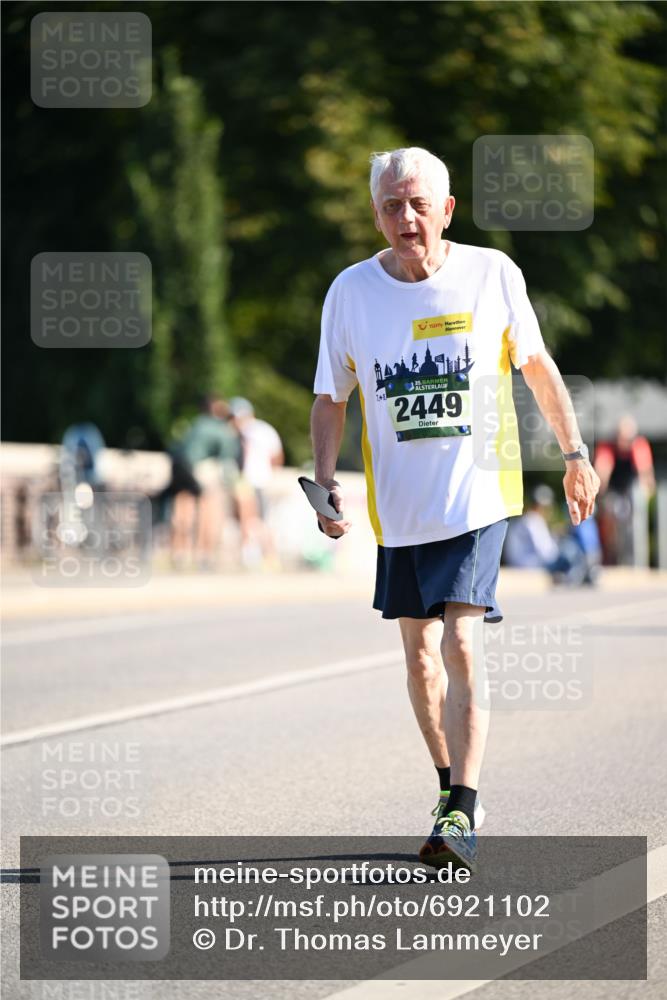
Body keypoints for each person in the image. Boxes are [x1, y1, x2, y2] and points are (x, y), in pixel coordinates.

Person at [310, 147, 600, 870]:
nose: (404, 219)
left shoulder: (491, 274)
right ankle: (448, 790)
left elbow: (535, 366)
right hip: (400, 509)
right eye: (389, 206)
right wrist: (322, 480)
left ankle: (462, 809)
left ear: (445, 210)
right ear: (374, 214)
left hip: (477, 495)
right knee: (417, 662)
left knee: (460, 643)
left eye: (417, 204)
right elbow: (328, 397)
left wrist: (573, 453)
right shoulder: (350, 292)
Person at [155, 396, 241, 568]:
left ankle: (178, 552)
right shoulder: (220, 429)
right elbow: (227, 457)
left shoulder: (194, 425)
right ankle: (204, 554)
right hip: (200, 469)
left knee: (182, 510)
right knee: (208, 509)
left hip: (180, 467)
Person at [229, 397, 284, 567]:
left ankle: (251, 554)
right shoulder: (266, 429)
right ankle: (268, 555)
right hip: (264, 480)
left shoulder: (245, 432)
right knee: (262, 519)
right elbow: (277, 457)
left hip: (249, 480)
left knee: (249, 519)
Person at [594, 415, 655, 565]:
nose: (625, 442)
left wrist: (646, 494)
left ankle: (635, 557)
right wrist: (600, 494)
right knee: (610, 512)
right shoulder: (608, 447)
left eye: (628, 438)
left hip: (630, 489)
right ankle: (611, 552)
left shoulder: (639, 445)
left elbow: (645, 473)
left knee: (635, 515)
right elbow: (602, 471)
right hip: (612, 490)